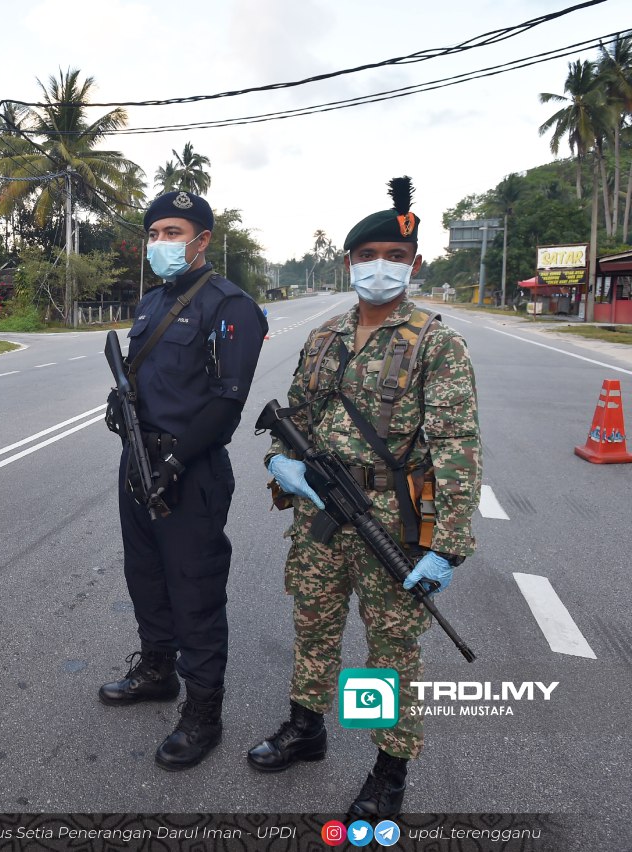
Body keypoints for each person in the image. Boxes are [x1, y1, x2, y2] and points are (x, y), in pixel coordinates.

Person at [248, 177, 482, 818]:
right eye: (370, 255)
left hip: (392, 520)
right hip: (319, 511)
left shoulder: (437, 342)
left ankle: (389, 769)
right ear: (349, 262)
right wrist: (281, 466)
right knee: (313, 624)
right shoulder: (324, 336)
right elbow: (296, 416)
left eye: (397, 257)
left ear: (414, 264)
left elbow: (458, 447)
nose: (383, 267)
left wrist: (448, 549)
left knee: (391, 650)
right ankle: (307, 728)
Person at [99, 190, 267, 771]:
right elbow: (148, 380)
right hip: (137, 463)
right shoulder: (150, 303)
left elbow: (227, 404)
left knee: (194, 590)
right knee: (145, 575)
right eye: (155, 233)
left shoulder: (231, 306)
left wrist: (173, 464)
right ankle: (156, 670)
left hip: (188, 472)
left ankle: (203, 712)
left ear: (201, 240)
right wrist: (122, 410)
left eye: (174, 232)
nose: (161, 243)